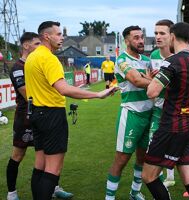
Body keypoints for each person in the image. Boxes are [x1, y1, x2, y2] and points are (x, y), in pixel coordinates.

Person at [24, 21, 117, 200]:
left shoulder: (32, 57)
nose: (62, 37)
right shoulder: (49, 58)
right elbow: (64, 89)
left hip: (36, 113)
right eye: (58, 34)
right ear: (46, 36)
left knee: (40, 165)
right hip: (51, 114)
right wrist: (98, 94)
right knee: (53, 169)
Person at [142, 22, 189, 200]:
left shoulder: (173, 61)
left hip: (171, 126)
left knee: (148, 176)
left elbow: (152, 92)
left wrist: (151, 80)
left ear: (172, 37)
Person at [7, 32, 72, 200]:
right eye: (36, 44)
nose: (39, 47)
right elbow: (27, 92)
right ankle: (12, 192)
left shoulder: (37, 60)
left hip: (39, 112)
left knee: (48, 158)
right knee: (19, 155)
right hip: (26, 115)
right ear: (26, 46)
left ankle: (54, 187)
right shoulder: (18, 67)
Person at [105, 25, 154, 200]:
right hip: (131, 115)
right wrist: (151, 79)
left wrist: (148, 79)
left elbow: (148, 81)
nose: (141, 41)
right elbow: (136, 80)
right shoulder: (121, 60)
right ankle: (109, 197)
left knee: (143, 157)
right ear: (127, 41)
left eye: (141, 37)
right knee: (122, 159)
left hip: (149, 114)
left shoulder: (147, 60)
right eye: (136, 37)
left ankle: (135, 192)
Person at [150, 19, 177, 188]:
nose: (158, 37)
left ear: (172, 36)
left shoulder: (179, 55)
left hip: (176, 110)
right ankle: (164, 179)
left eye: (162, 33)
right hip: (158, 108)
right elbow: (152, 82)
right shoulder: (153, 56)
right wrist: (153, 77)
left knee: (181, 152)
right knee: (155, 147)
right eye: (155, 33)